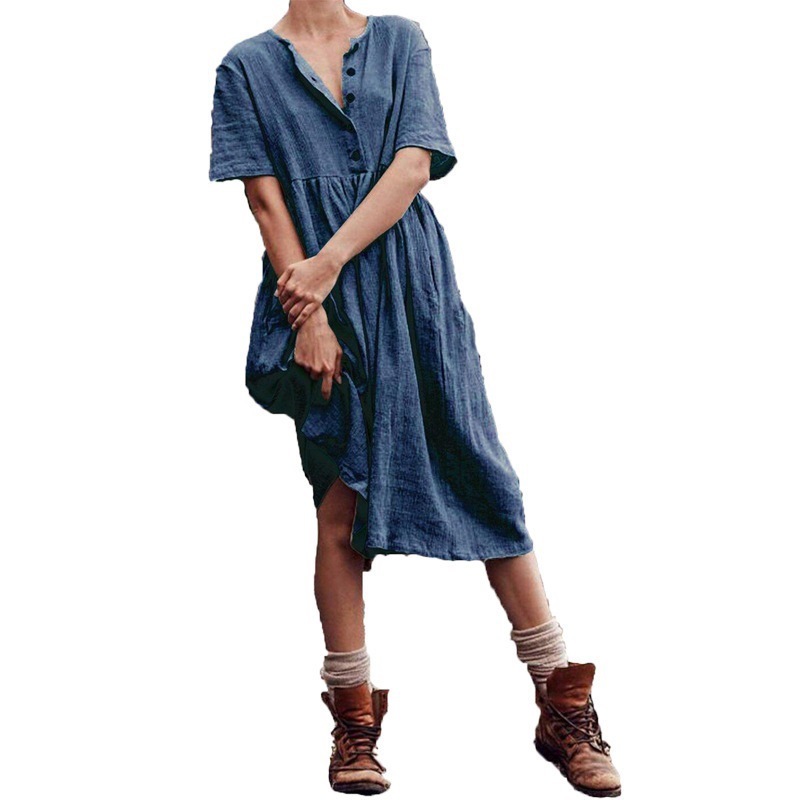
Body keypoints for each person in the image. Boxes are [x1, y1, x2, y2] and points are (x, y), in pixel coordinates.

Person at [208, 3, 621, 796]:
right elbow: (264, 199)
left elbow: (413, 164)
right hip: (313, 305)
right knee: (340, 500)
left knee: (482, 474)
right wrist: (310, 314)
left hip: (411, 286)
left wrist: (328, 264)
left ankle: (563, 706)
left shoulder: (399, 40)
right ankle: (355, 727)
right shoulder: (245, 66)